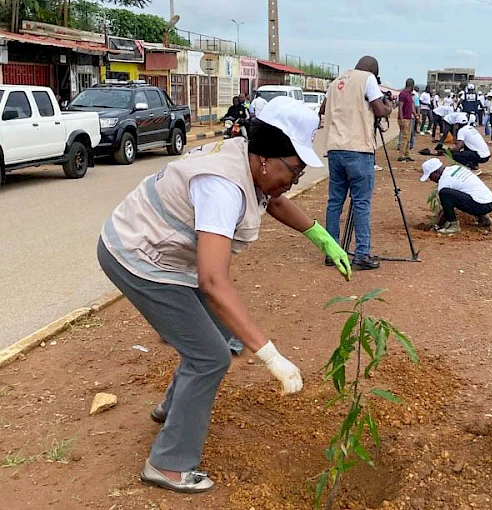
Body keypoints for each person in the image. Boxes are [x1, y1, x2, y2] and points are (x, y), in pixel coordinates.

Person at [97, 97, 351, 494]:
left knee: (219, 331)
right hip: (137, 258)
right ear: (267, 158)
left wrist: (320, 236)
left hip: (162, 254)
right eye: (294, 170)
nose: (295, 181)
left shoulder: (250, 158)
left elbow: (275, 201)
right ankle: (169, 465)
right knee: (211, 355)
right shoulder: (222, 189)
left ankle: (174, 408)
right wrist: (272, 357)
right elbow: (212, 281)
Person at [319, 56, 394, 271]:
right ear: (373, 70)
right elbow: (379, 110)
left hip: (335, 149)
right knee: (361, 203)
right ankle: (361, 254)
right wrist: (388, 107)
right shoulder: (367, 79)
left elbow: (323, 109)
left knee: (335, 202)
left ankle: (331, 251)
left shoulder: (336, 82)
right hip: (359, 150)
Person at [420, 157, 492, 235]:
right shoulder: (456, 168)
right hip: (491, 202)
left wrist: (437, 225)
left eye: (430, 176)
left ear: (436, 172)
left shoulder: (444, 182)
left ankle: (454, 226)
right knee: (468, 193)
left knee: (444, 193)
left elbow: (446, 208)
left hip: (480, 206)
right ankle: (484, 218)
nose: (431, 179)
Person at [397, 78, 415, 162]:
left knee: (408, 137)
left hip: (409, 118)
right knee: (405, 137)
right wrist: (402, 119)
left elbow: (411, 107)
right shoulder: (403, 94)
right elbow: (400, 106)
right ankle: (401, 155)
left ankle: (407, 154)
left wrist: (416, 115)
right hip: (404, 118)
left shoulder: (409, 94)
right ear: (411, 86)